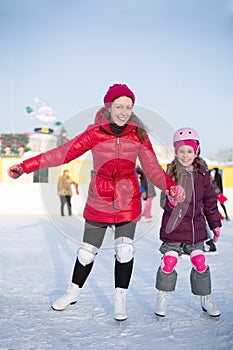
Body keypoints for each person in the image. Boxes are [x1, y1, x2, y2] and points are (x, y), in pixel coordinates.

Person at [8, 83, 185, 321]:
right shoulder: (94, 132)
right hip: (99, 199)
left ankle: (119, 300)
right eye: (119, 106)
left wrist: (171, 186)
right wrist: (26, 166)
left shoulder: (138, 135)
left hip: (127, 200)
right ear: (109, 106)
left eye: (129, 107)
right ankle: (72, 292)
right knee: (86, 253)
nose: (124, 112)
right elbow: (61, 153)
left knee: (125, 251)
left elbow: (152, 169)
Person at [154, 127, 221, 318]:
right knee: (169, 262)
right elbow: (162, 202)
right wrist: (172, 201)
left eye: (189, 151)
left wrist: (215, 225)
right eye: (181, 151)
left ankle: (205, 300)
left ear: (196, 152)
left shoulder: (202, 174)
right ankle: (162, 296)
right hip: (173, 229)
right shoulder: (170, 172)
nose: (185, 155)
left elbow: (210, 202)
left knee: (200, 261)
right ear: (176, 151)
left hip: (195, 229)